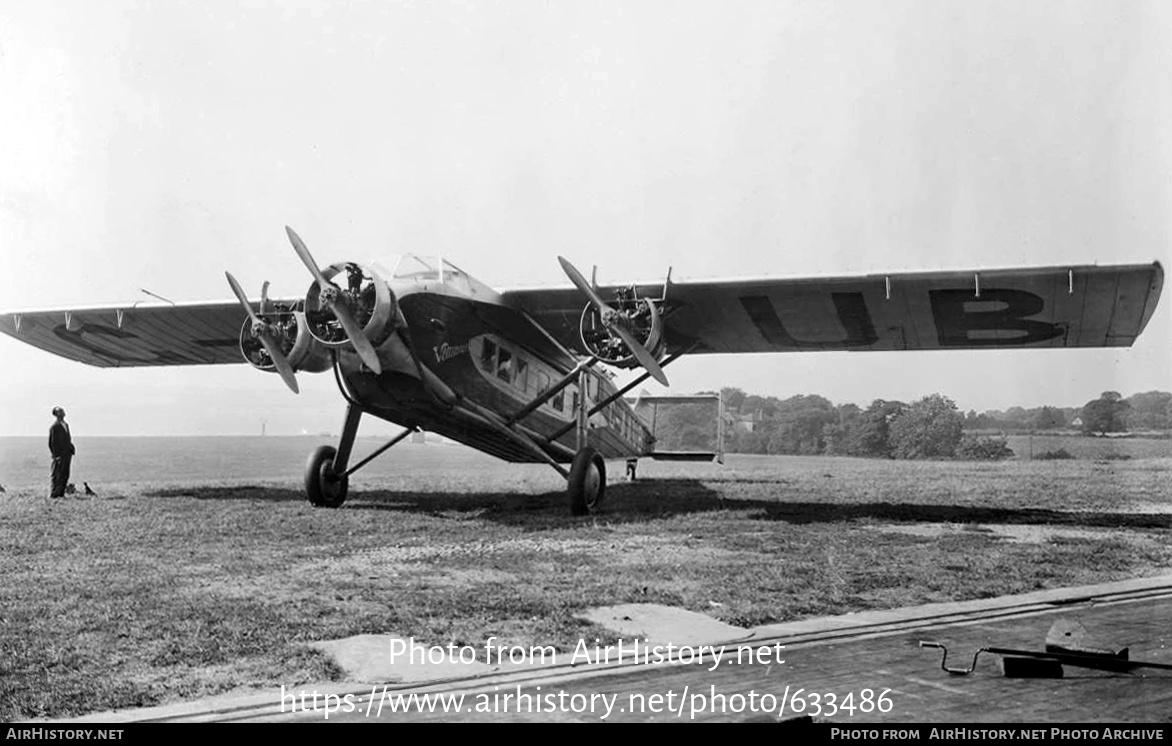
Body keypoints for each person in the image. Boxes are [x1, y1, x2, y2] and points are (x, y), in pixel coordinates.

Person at [48, 406, 75, 498]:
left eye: (62, 410)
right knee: (57, 474)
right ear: (56, 414)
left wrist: (71, 447)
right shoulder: (55, 426)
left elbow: (67, 439)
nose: (63, 412)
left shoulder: (65, 425)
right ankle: (54, 493)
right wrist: (56, 455)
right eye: (60, 411)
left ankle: (61, 493)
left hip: (67, 453)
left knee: (65, 474)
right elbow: (52, 442)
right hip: (60, 455)